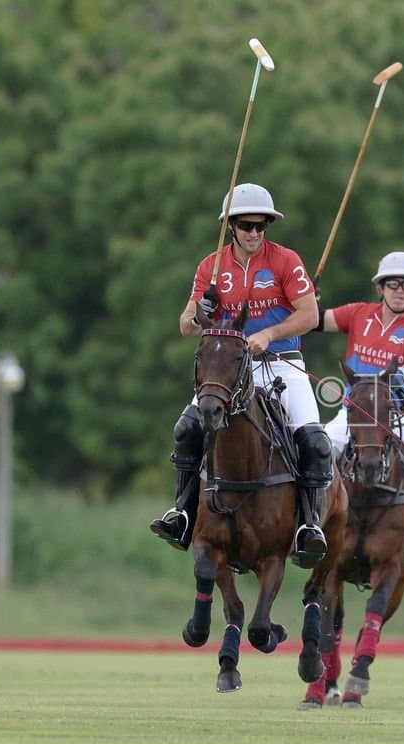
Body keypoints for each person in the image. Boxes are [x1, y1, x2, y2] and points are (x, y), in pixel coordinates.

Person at [149, 182, 333, 567]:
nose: (254, 233)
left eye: (261, 226)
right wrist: (202, 311)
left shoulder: (285, 260)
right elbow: (186, 325)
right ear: (231, 225)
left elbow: (309, 315)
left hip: (282, 364)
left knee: (315, 442)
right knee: (186, 430)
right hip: (229, 370)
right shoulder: (211, 267)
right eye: (246, 225)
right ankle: (182, 514)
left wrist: (269, 333)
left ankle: (309, 526)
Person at [317, 251, 404, 571]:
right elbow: (315, 320)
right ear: (380, 287)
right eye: (392, 284)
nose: (399, 290)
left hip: (398, 414)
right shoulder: (358, 314)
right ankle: (308, 524)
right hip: (353, 411)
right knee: (317, 450)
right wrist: (308, 301)